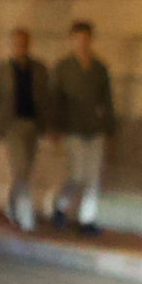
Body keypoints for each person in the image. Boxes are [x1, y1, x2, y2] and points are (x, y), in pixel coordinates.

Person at [0, 27, 53, 230]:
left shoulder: (39, 69)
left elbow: (45, 99)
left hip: (32, 125)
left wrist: (48, 126)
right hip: (11, 126)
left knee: (25, 170)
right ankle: (25, 215)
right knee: (20, 168)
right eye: (17, 43)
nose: (20, 47)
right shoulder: (1, 70)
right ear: (12, 45)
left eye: (24, 43)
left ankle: (12, 205)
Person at [49, 20, 116, 236]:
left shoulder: (99, 68)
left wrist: (109, 126)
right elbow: (55, 98)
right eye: (78, 39)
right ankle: (60, 205)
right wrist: (55, 126)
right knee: (77, 175)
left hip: (94, 129)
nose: (82, 43)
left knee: (93, 177)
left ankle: (87, 218)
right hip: (73, 128)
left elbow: (106, 100)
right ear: (73, 40)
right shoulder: (64, 67)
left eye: (86, 39)